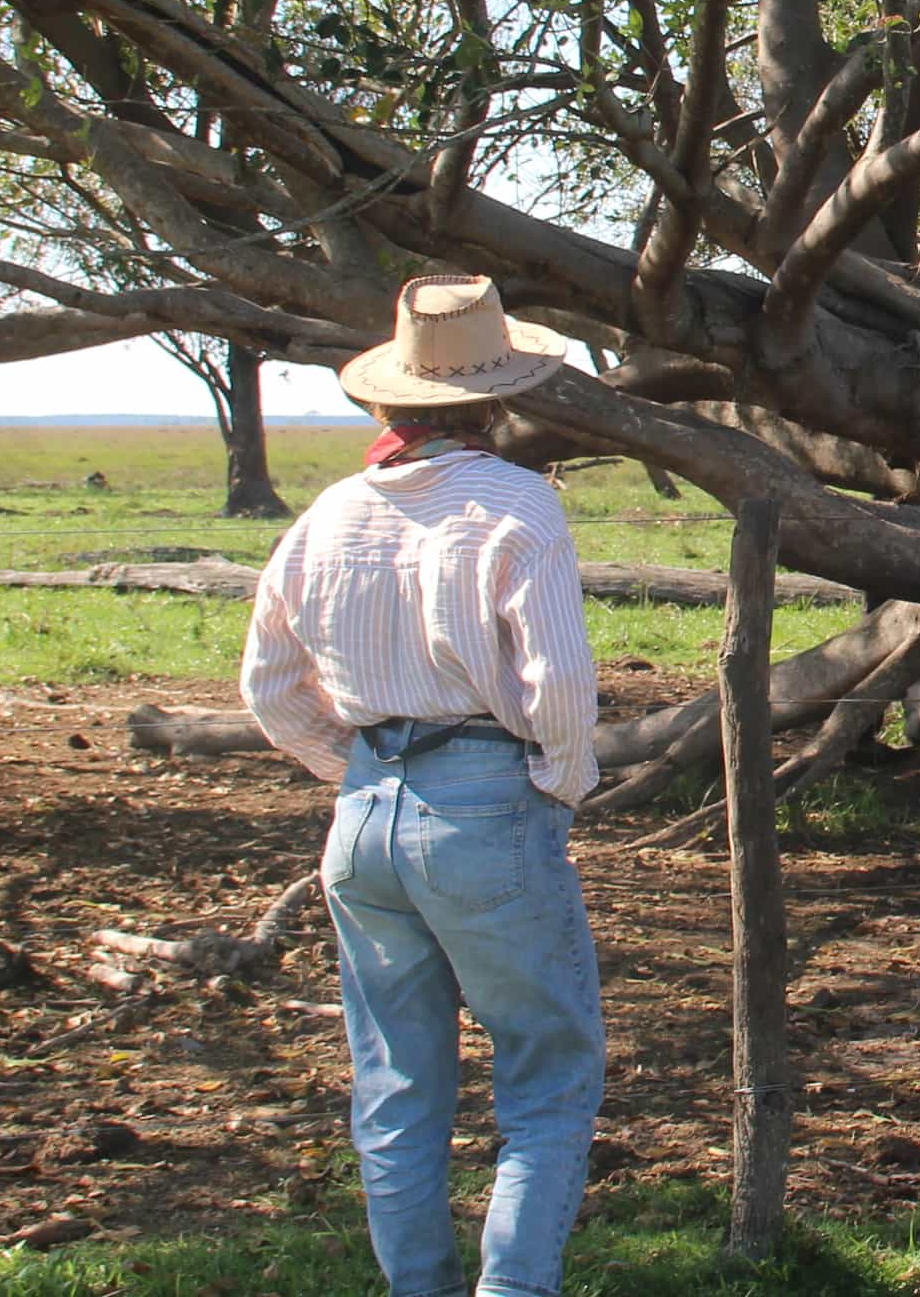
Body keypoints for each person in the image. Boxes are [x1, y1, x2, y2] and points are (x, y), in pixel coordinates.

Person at [242, 275, 602, 1297]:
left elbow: (266, 683)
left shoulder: (328, 513)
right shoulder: (518, 502)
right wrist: (554, 783)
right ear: (496, 397)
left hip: (363, 811)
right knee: (546, 1067)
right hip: (484, 791)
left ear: (388, 399)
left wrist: (347, 766)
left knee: (395, 1081)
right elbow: (558, 681)